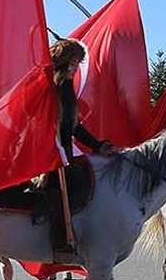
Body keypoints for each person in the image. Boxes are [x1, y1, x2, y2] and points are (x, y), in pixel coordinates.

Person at [40, 38, 117, 257]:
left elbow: (74, 126)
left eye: (77, 63)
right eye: (73, 63)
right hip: (43, 150)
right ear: (62, 62)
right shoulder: (46, 87)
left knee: (87, 175)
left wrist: (98, 145)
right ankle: (60, 238)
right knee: (55, 183)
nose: (76, 68)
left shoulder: (66, 90)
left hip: (63, 149)